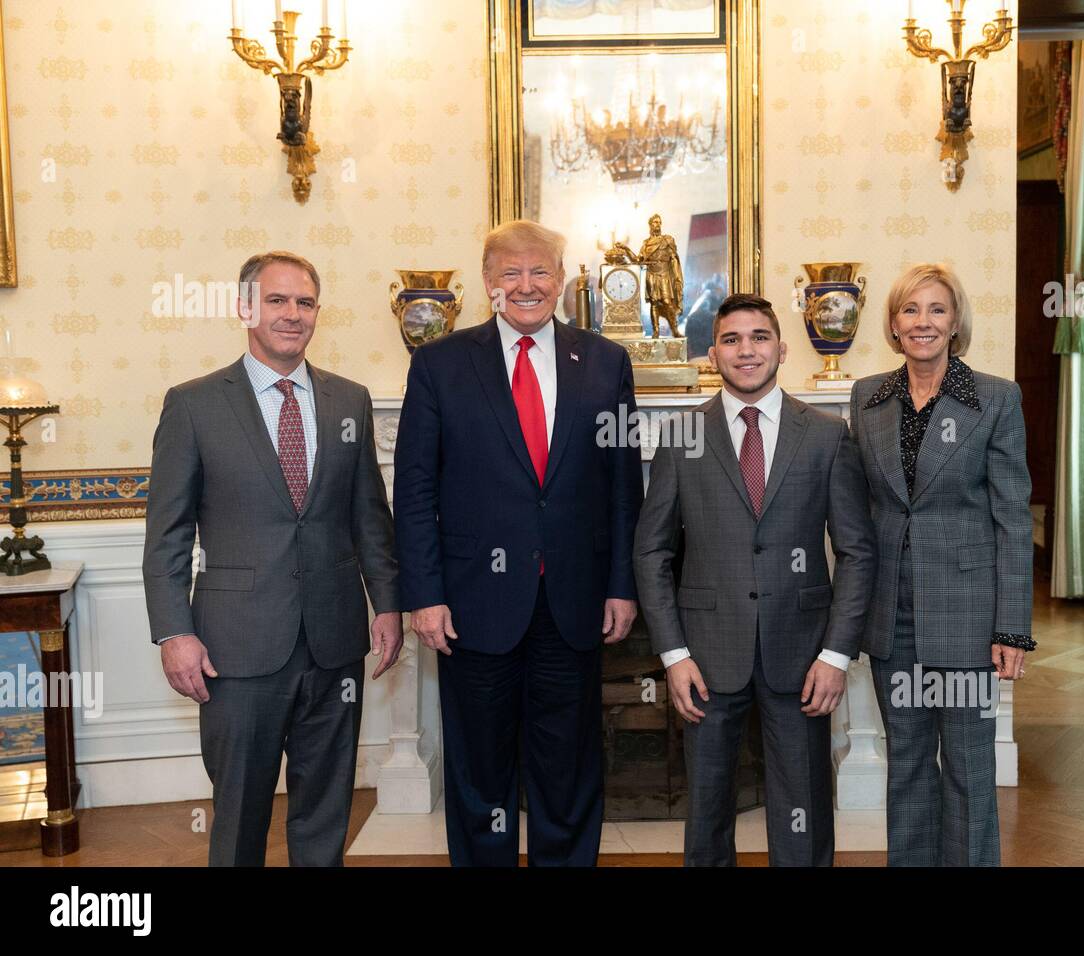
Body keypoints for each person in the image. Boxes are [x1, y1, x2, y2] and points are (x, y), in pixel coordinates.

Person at [393, 219, 642, 866]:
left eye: (540, 271)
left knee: (568, 768)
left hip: (575, 602)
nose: (526, 285)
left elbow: (622, 488)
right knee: (480, 772)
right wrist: (423, 595)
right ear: (488, 285)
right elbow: (415, 489)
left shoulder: (606, 362)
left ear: (561, 281)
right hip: (472, 606)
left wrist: (622, 585)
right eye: (511, 272)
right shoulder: (440, 364)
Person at [143, 251, 403, 866]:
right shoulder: (194, 404)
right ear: (245, 308)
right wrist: (173, 633)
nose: (293, 314)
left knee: (326, 807)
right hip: (236, 648)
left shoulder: (350, 401)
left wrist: (389, 606)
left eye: (305, 302)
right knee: (239, 814)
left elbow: (371, 517)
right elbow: (167, 536)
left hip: (335, 641)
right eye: (277, 301)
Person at [634, 293, 874, 866]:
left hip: (805, 655)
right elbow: (652, 551)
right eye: (733, 340)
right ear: (712, 354)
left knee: (803, 806)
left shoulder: (824, 435)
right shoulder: (680, 436)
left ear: (781, 348)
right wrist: (673, 655)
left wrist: (836, 657)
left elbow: (858, 552)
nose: (747, 350)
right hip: (705, 656)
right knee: (708, 808)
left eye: (759, 337)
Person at [849, 263, 1034, 867]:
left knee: (968, 764)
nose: (922, 322)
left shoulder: (995, 398)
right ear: (894, 323)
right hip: (892, 618)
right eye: (910, 310)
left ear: (956, 322)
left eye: (936, 310)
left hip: (968, 620)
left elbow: (1012, 518)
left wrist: (1011, 627)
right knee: (905, 760)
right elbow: (859, 512)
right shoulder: (867, 397)